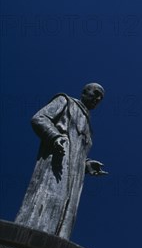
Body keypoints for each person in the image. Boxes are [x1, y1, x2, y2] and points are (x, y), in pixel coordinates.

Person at [15, 83, 107, 239]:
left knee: (66, 214)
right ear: (84, 92)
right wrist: (55, 136)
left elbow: (78, 153)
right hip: (56, 162)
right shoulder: (65, 101)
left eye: (100, 98)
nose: (97, 99)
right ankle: (25, 241)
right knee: (44, 202)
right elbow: (39, 118)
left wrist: (86, 164)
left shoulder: (89, 132)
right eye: (96, 93)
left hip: (75, 180)